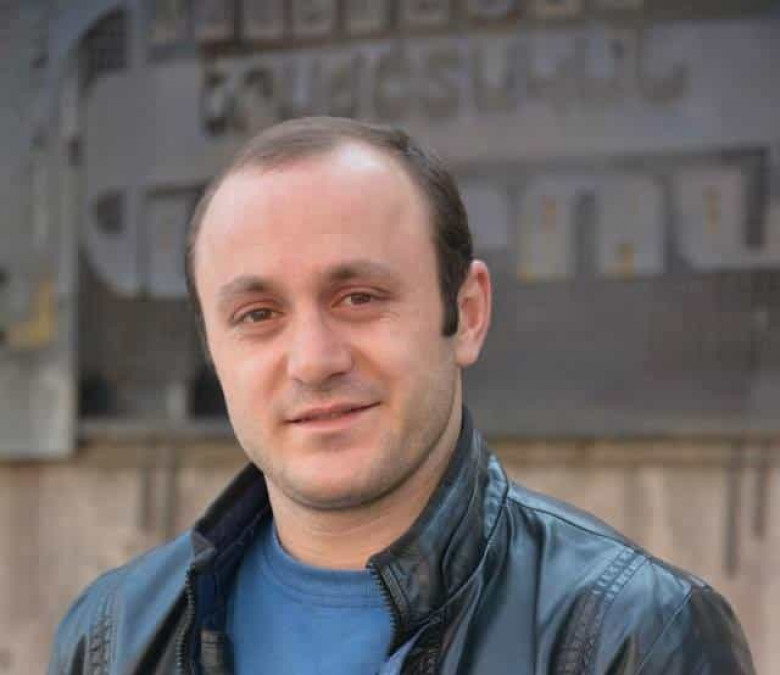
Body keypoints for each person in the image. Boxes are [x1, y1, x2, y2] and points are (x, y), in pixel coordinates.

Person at [48, 117, 755, 674]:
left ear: (467, 313)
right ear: (212, 345)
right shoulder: (109, 635)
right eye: (257, 314)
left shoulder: (633, 636)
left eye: (359, 297)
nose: (314, 361)